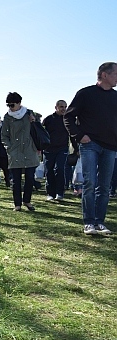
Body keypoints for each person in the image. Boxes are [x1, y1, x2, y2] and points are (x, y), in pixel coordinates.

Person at [64, 62, 117, 235]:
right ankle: (89, 222)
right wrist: (79, 136)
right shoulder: (85, 94)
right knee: (90, 182)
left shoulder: (115, 97)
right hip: (90, 144)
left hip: (110, 147)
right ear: (104, 75)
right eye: (116, 73)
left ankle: (99, 222)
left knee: (104, 186)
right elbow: (68, 117)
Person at [1, 92, 39, 212]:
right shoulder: (7, 117)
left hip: (29, 150)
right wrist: (9, 148)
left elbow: (39, 130)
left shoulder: (29, 113)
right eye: (8, 105)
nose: (10, 108)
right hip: (15, 151)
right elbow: (4, 136)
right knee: (16, 180)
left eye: (12, 105)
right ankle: (17, 204)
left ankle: (27, 201)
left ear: (19, 103)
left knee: (29, 178)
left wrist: (34, 121)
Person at [42, 100, 70, 201]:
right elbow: (41, 134)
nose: (64, 109)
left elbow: (73, 134)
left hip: (62, 148)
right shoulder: (48, 119)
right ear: (56, 107)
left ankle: (60, 193)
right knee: (49, 170)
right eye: (61, 107)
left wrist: (76, 148)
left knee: (60, 169)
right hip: (49, 149)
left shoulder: (67, 119)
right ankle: (50, 193)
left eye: (65, 107)